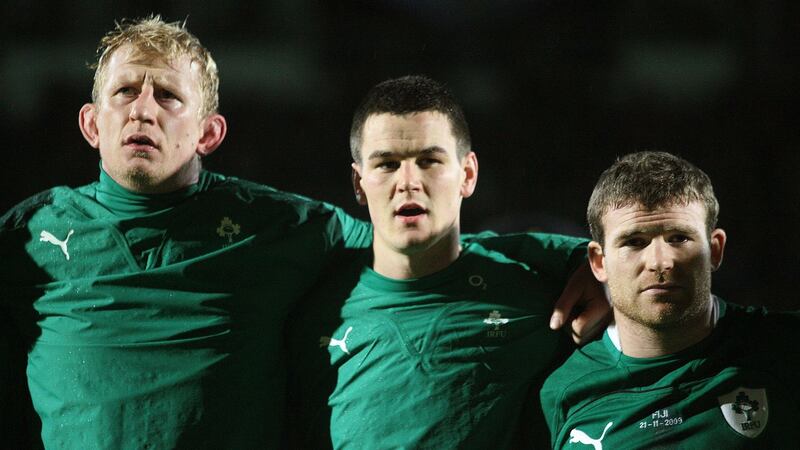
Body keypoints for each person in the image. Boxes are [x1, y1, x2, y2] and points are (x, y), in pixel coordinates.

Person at [0, 17, 604, 448]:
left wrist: (590, 260)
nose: (142, 109)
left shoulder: (276, 224)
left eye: (168, 96)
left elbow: (417, 240)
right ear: (90, 123)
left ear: (209, 133)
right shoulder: (27, 235)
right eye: (125, 92)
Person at [285, 75, 606, 449]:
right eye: (387, 164)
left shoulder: (540, 293)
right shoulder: (313, 312)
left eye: (429, 160)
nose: (408, 181)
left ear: (467, 175)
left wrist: (605, 274)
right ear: (359, 184)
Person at [540, 151, 800, 449]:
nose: (659, 262)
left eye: (679, 238)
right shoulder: (564, 392)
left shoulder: (786, 349)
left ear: (715, 250)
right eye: (634, 242)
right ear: (599, 262)